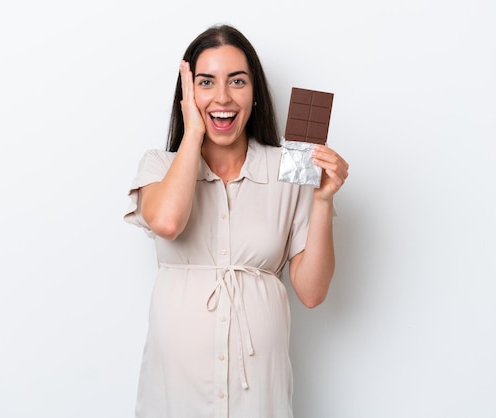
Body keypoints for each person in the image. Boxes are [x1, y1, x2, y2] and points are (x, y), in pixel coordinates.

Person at [124, 23, 348, 418]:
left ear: (255, 93)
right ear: (187, 95)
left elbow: (312, 293)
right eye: (206, 82)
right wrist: (193, 131)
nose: (223, 96)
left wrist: (323, 201)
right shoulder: (160, 166)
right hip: (175, 395)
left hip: (259, 396)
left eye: (237, 81)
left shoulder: (289, 169)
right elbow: (169, 222)